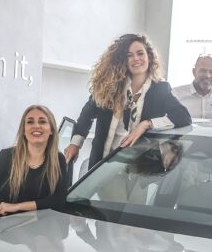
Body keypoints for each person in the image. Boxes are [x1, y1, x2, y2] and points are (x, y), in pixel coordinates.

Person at [64, 33, 191, 168]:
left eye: (140, 53)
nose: (136, 58)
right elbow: (86, 115)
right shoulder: (108, 86)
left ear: (149, 56)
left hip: (139, 169)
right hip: (102, 165)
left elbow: (183, 117)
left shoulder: (161, 89)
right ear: (122, 60)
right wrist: (75, 144)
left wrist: (147, 124)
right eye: (129, 55)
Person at [0, 104, 67, 229]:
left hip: (27, 231)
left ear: (51, 130)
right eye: (30, 122)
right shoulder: (5, 156)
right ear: (23, 130)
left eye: (42, 121)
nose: (36, 126)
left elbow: (59, 200)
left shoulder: (59, 160)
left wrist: (17, 207)